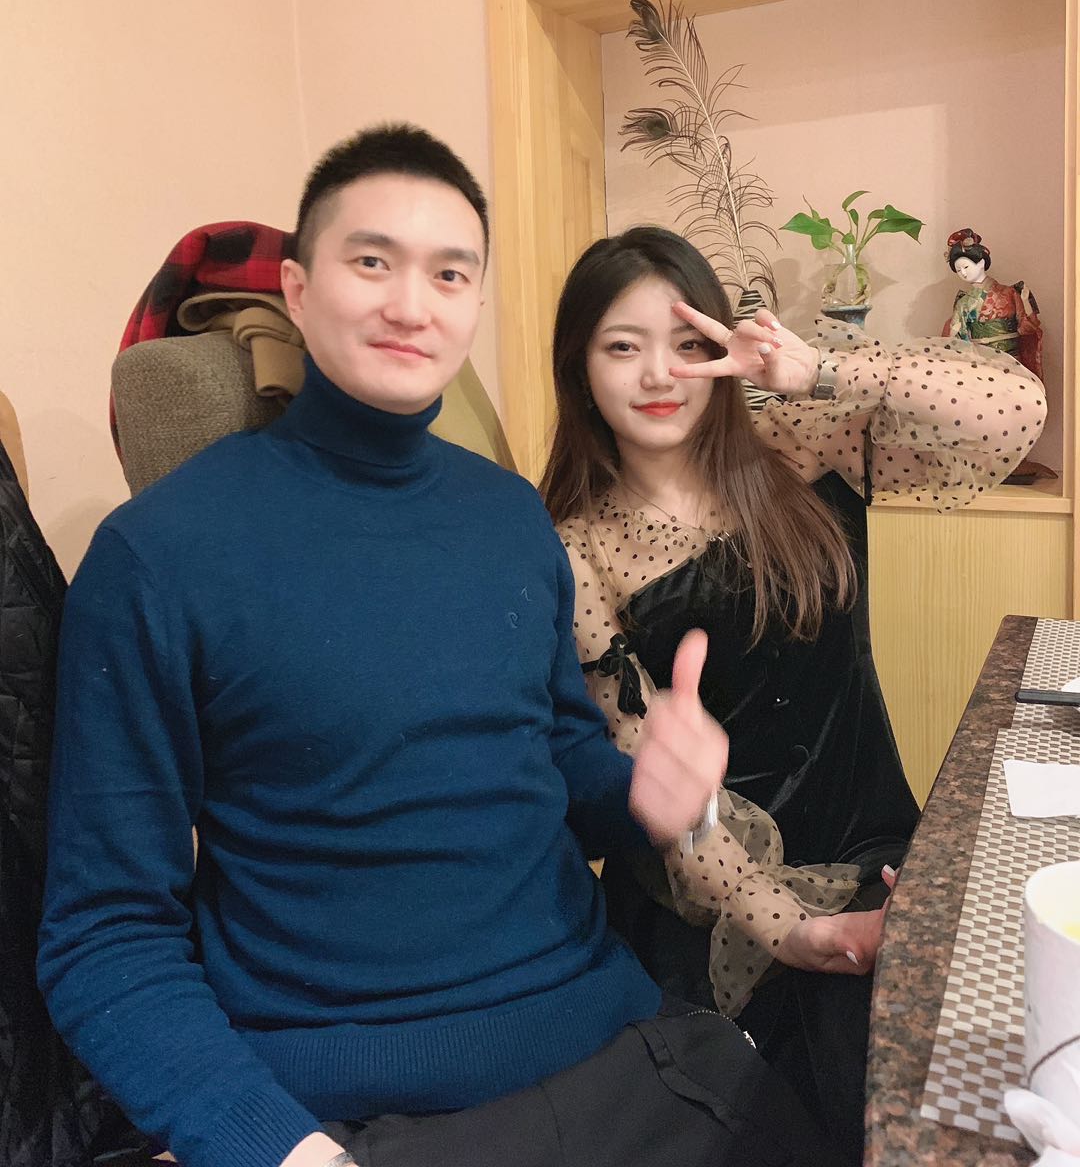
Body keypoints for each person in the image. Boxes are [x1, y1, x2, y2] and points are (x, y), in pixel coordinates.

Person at [38, 128, 836, 1167]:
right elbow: (102, 935)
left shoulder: (509, 518)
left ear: (474, 305)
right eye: (373, 261)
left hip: (611, 1040)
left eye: (450, 274)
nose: (412, 305)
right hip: (346, 1107)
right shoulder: (157, 556)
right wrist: (271, 1144)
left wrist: (648, 795)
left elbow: (559, 759)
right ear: (296, 291)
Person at [540, 225, 1047, 1162]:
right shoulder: (576, 551)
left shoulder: (799, 444)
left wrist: (817, 369)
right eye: (622, 346)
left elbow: (1012, 410)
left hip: (879, 844)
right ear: (579, 367)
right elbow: (664, 799)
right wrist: (801, 932)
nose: (660, 373)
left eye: (688, 342)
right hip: (725, 907)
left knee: (1015, 1062)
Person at [943, 226, 1043, 379]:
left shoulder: (1010, 293)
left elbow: (1028, 329)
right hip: (981, 365)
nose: (963, 273)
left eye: (966, 267)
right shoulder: (963, 302)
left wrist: (1025, 301)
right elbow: (958, 339)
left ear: (981, 263)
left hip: (1012, 362)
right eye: (958, 270)